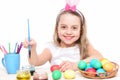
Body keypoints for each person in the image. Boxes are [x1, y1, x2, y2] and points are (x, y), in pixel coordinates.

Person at [23, 0, 103, 72]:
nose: (68, 32)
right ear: (57, 28)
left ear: (81, 30)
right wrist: (33, 49)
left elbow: (99, 57)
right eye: (64, 27)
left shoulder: (83, 46)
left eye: (74, 28)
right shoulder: (52, 48)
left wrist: (76, 65)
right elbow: (35, 62)